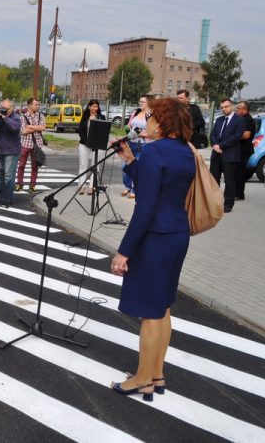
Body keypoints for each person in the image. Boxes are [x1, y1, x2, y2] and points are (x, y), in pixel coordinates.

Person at [109, 97, 196, 401]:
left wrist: (124, 252)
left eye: (150, 116)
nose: (145, 120)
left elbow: (145, 206)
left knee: (149, 313)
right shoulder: (186, 151)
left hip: (155, 237)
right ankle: (156, 373)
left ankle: (142, 378)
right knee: (162, 308)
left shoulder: (155, 151)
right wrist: (133, 161)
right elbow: (159, 187)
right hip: (177, 234)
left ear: (161, 121)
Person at [209, 98, 245, 213]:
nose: (224, 109)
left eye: (226, 107)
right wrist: (215, 145)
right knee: (214, 180)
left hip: (229, 155)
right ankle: (214, 203)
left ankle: (228, 204)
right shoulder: (219, 120)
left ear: (232, 106)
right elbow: (212, 134)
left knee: (229, 181)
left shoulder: (239, 120)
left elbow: (236, 137)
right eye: (222, 107)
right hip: (216, 155)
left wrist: (221, 146)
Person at [121, 95, 153, 199]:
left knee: (137, 167)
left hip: (142, 143)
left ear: (149, 103)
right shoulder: (136, 112)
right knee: (124, 166)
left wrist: (140, 134)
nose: (140, 103)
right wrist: (128, 131)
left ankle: (135, 189)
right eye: (139, 101)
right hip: (131, 142)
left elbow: (152, 132)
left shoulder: (151, 115)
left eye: (142, 102)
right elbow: (129, 125)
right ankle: (128, 185)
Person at [0, 99, 21, 207]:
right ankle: (1, 197)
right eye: (2, 108)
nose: (4, 110)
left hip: (12, 151)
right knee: (0, 175)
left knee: (8, 177)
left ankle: (8, 198)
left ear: (12, 108)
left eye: (6, 109)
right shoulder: (0, 117)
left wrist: (4, 117)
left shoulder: (16, 117)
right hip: (1, 150)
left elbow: (14, 127)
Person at [15, 98, 46, 193]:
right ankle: (19, 184)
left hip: (37, 144)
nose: (38, 106)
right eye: (35, 104)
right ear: (29, 105)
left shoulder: (41, 116)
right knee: (21, 165)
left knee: (35, 166)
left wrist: (31, 126)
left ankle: (32, 186)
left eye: (38, 104)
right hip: (25, 144)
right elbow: (23, 131)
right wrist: (37, 128)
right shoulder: (22, 117)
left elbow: (43, 127)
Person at [76, 99, 105, 195]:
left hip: (97, 145)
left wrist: (95, 142)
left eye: (97, 106)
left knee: (95, 166)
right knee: (83, 165)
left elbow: (103, 131)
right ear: (89, 107)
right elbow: (80, 131)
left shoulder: (101, 117)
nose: (95, 108)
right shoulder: (84, 117)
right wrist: (87, 142)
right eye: (93, 106)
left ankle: (92, 186)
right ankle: (81, 186)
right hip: (84, 143)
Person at [234, 101, 256, 201]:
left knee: (240, 172)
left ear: (244, 109)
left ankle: (239, 194)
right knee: (235, 172)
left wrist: (233, 136)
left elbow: (246, 135)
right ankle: (234, 192)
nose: (236, 109)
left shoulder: (248, 120)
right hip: (238, 149)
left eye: (238, 108)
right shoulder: (241, 119)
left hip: (244, 150)